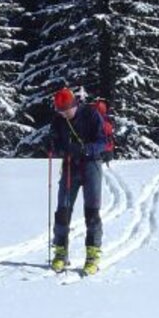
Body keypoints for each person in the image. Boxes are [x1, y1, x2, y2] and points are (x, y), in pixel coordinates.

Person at [48, 87, 108, 274]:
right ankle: (60, 252)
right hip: (69, 166)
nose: (64, 114)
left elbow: (103, 141)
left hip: (91, 166)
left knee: (91, 212)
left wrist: (85, 149)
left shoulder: (91, 114)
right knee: (62, 211)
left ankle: (92, 255)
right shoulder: (58, 120)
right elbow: (55, 142)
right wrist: (52, 146)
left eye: (66, 109)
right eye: (60, 110)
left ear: (74, 104)